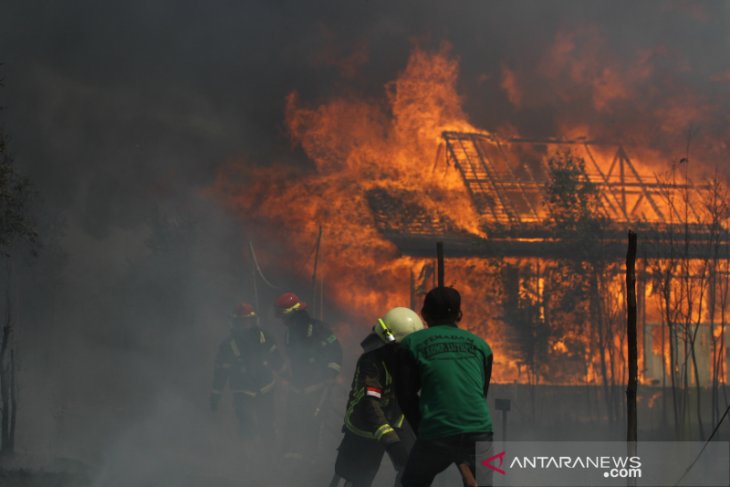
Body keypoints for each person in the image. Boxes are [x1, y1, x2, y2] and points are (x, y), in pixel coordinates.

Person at [396, 287, 494, 487]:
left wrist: (424, 431)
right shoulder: (481, 346)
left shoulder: (411, 344)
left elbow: (406, 397)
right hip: (480, 430)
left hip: (437, 432)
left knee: (410, 483)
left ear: (424, 314)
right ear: (459, 314)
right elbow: (480, 393)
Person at [331, 307, 423, 487]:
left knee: (413, 467)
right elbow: (370, 405)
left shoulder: (409, 359)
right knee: (358, 478)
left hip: (396, 418)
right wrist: (390, 441)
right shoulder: (371, 362)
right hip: (366, 426)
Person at [274, 292, 343, 461]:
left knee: (313, 421)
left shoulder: (318, 329)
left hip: (318, 385)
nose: (282, 321)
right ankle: (289, 459)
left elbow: (336, 352)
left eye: (284, 315)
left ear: (292, 312)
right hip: (298, 385)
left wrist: (330, 376)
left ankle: (310, 461)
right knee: (293, 419)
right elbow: (294, 359)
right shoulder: (289, 333)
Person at [210, 302, 282, 446]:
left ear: (253, 321)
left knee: (267, 423)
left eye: (248, 321)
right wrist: (215, 395)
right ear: (235, 322)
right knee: (246, 426)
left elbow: (276, 359)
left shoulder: (264, 337)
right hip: (243, 391)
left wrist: (290, 375)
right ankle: (249, 458)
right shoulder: (228, 345)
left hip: (265, 387)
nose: (245, 325)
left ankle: (270, 455)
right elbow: (221, 372)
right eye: (242, 321)